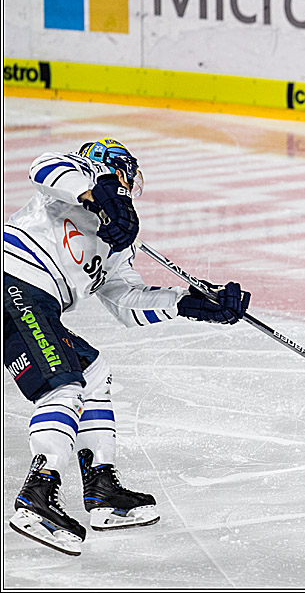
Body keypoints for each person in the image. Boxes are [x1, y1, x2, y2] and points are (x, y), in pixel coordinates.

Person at [4, 138, 251, 556]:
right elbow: (43, 166)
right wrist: (100, 193)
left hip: (33, 301)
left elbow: (125, 300)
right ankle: (37, 495)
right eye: (125, 178)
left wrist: (187, 303)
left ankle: (101, 489)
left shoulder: (116, 235)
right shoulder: (64, 189)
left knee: (95, 373)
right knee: (62, 385)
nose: (129, 187)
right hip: (13, 283)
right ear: (111, 170)